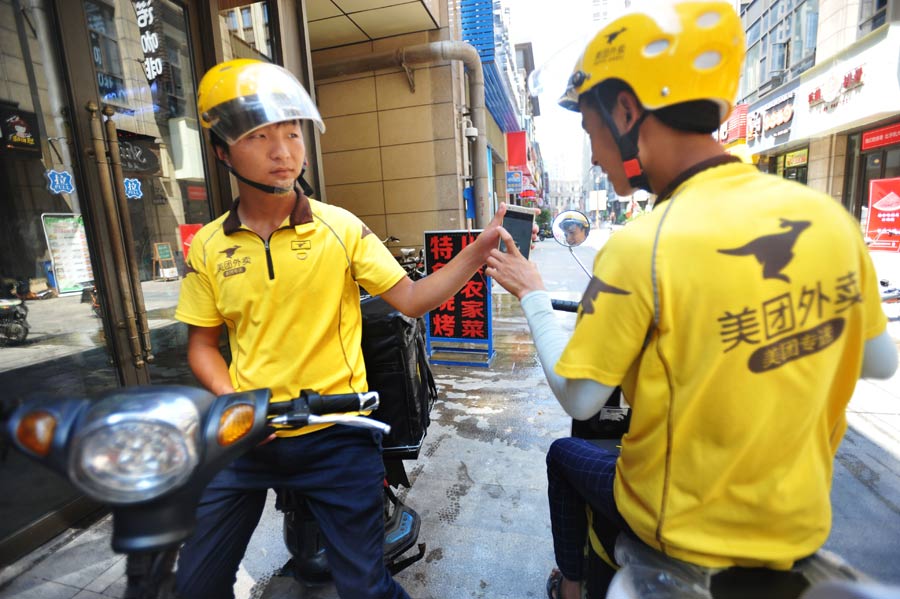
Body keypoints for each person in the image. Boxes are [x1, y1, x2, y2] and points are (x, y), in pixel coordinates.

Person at [484, 3, 898, 598]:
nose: (596, 152)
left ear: (626, 111)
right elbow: (879, 362)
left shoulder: (643, 246)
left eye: (590, 129)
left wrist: (531, 292)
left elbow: (580, 393)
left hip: (678, 533)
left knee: (564, 455)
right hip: (798, 530)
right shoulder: (827, 220)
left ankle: (571, 589)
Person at [175, 58, 513, 599]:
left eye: (291, 133)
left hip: (338, 434)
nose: (283, 151)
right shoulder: (209, 247)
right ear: (222, 151)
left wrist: (475, 252)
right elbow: (202, 346)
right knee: (196, 583)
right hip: (248, 434)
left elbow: (411, 297)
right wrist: (235, 399)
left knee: (364, 587)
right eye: (260, 137)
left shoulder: (340, 227)